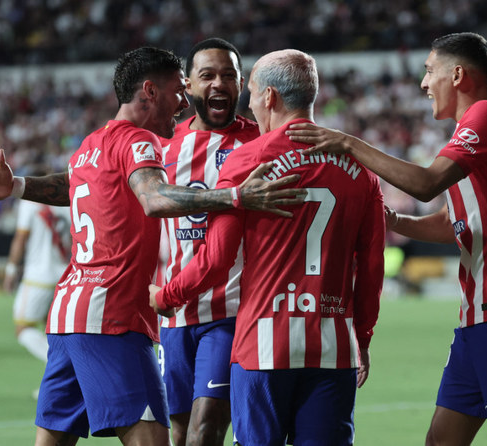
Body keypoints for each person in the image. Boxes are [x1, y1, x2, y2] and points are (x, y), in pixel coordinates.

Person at [0, 46, 305, 446]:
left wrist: (17, 186)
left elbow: (73, 185)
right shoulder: (141, 140)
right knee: (153, 438)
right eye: (179, 90)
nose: (182, 103)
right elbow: (154, 199)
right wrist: (236, 196)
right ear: (150, 91)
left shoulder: (91, 143)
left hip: (69, 313)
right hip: (113, 314)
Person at [286, 32, 487, 446]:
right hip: (480, 316)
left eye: (430, 71)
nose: (423, 82)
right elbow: (454, 224)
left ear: (458, 75)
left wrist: (347, 143)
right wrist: (392, 220)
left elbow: (427, 183)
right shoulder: (473, 130)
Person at [151, 49, 385, 445]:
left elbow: (217, 259)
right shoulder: (360, 168)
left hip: (263, 342)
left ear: (270, 97)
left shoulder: (248, 160)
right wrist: (361, 337)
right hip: (332, 345)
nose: (249, 105)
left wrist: (166, 295)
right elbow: (372, 268)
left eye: (252, 94)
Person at [155, 38, 259, 446]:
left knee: (207, 429)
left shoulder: (259, 142)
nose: (219, 83)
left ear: (241, 84)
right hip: (173, 318)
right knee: (179, 431)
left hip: (232, 311)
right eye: (208, 75)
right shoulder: (163, 146)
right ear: (188, 85)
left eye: (228, 75)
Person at [3, 174, 71, 370]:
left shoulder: (29, 203)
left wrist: (10, 270)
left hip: (38, 276)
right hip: (64, 275)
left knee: (23, 329)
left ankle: (62, 366)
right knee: (55, 329)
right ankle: (63, 373)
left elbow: (21, 238)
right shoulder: (65, 204)